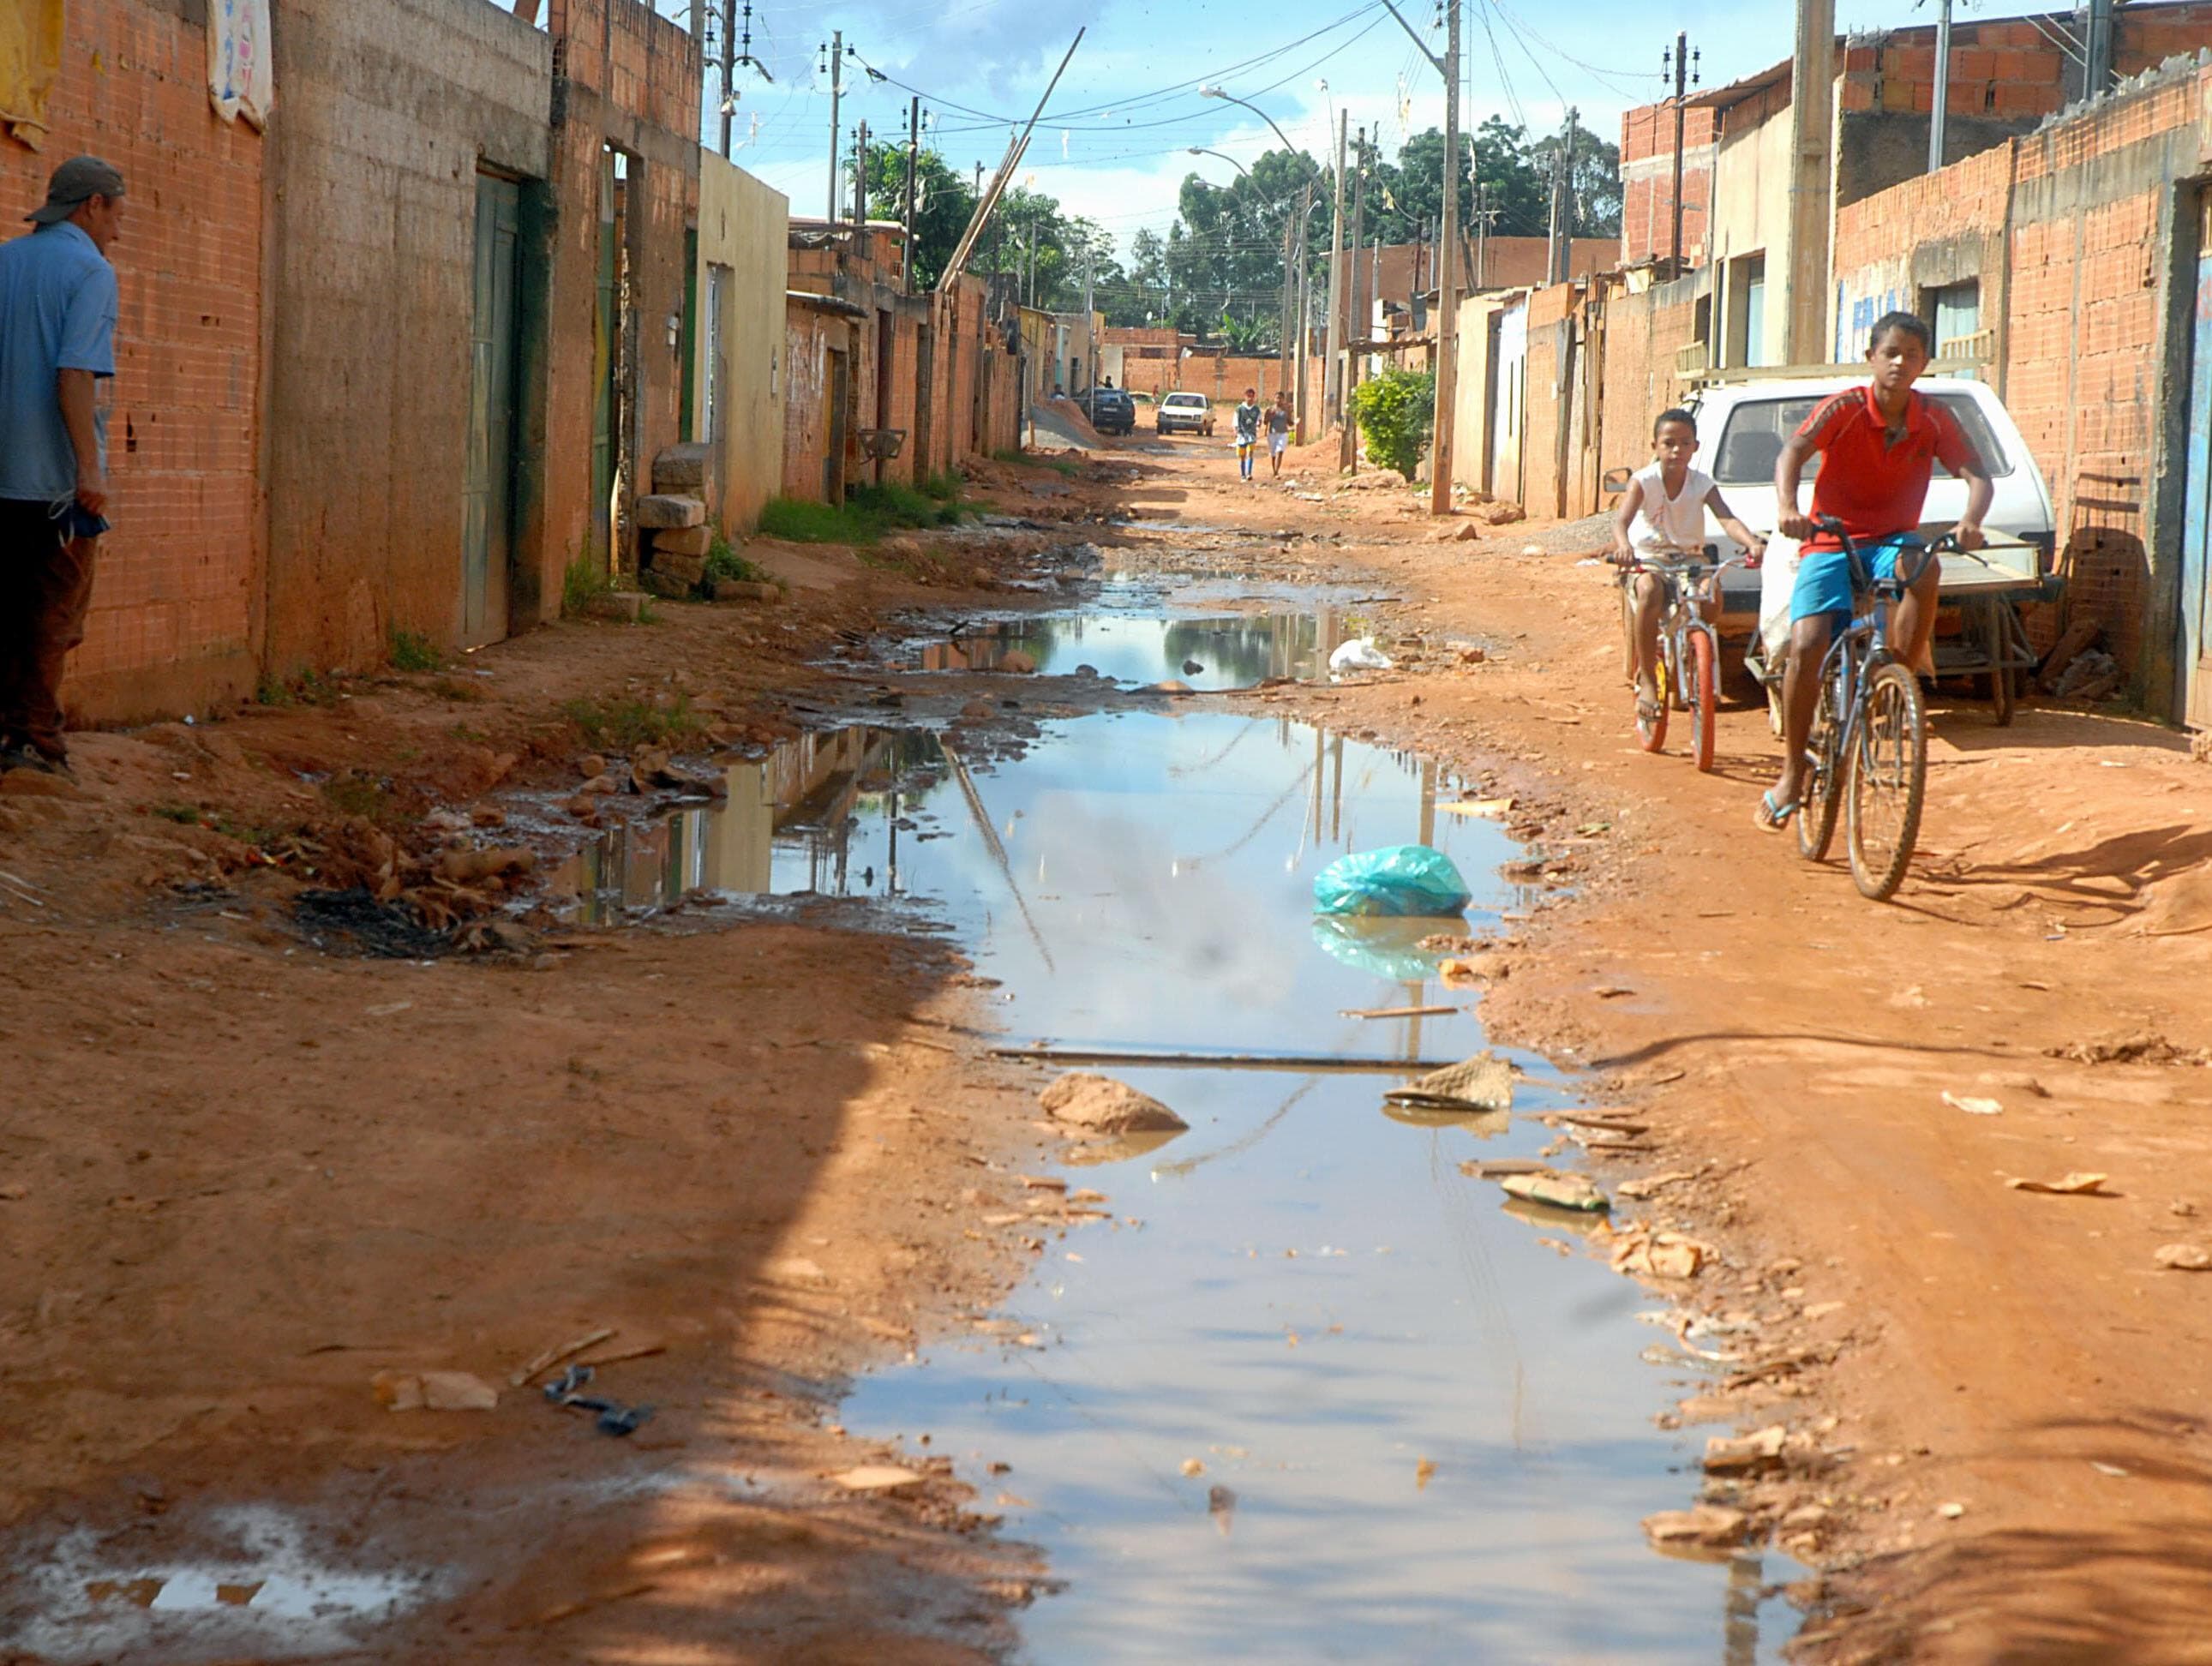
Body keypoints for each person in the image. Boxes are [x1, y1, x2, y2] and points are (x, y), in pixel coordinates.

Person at [1757, 311, 1991, 830]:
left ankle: (1897, 678)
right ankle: (1793, 772)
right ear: (1872, 357)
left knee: (1924, 567)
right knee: (1808, 644)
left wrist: (1971, 521)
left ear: (1924, 363)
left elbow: (1978, 477)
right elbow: (1794, 451)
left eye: (1911, 354)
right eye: (1891, 353)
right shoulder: (1844, 408)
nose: (1900, 363)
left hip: (1892, 541)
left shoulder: (1934, 418)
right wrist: (1787, 507)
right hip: (1830, 538)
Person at [0, 156, 124, 777]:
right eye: (116, 214)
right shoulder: (91, 272)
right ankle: (35, 743)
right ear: (91, 206)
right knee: (54, 613)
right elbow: (74, 372)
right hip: (52, 482)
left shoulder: (4, 260)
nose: (118, 231)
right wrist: (89, 471)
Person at [1610, 407, 1764, 724]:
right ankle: (1650, 683)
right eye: (1668, 443)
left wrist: (1751, 543)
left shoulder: (1702, 484)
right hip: (1650, 560)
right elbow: (1621, 521)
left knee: (1711, 595)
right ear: (1655, 446)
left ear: (1695, 447)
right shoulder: (1643, 481)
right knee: (1650, 591)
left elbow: (1726, 517)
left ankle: (1693, 655)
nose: (1676, 450)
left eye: (1684, 442)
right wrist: (1624, 546)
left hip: (1690, 560)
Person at [1233, 387, 1262, 481]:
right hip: (1242, 435)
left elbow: (1259, 420)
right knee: (1242, 455)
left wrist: (1257, 427)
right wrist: (1236, 431)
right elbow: (1235, 421)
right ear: (1245, 397)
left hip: (1251, 435)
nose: (1250, 398)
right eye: (1248, 396)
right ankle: (1243, 474)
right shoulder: (1239, 409)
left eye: (1251, 396)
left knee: (1250, 453)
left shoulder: (1256, 409)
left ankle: (1249, 473)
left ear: (1254, 397)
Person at [1265, 391, 1292, 478]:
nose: (1278, 400)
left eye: (1280, 398)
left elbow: (1289, 422)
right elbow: (1266, 422)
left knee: (1280, 452)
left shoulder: (1286, 410)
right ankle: (1274, 470)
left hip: (1283, 433)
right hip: (1272, 433)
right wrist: (1271, 416)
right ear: (1274, 399)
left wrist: (1295, 422)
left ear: (1283, 400)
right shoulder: (1270, 409)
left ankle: (1277, 472)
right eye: (1277, 398)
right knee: (1273, 453)